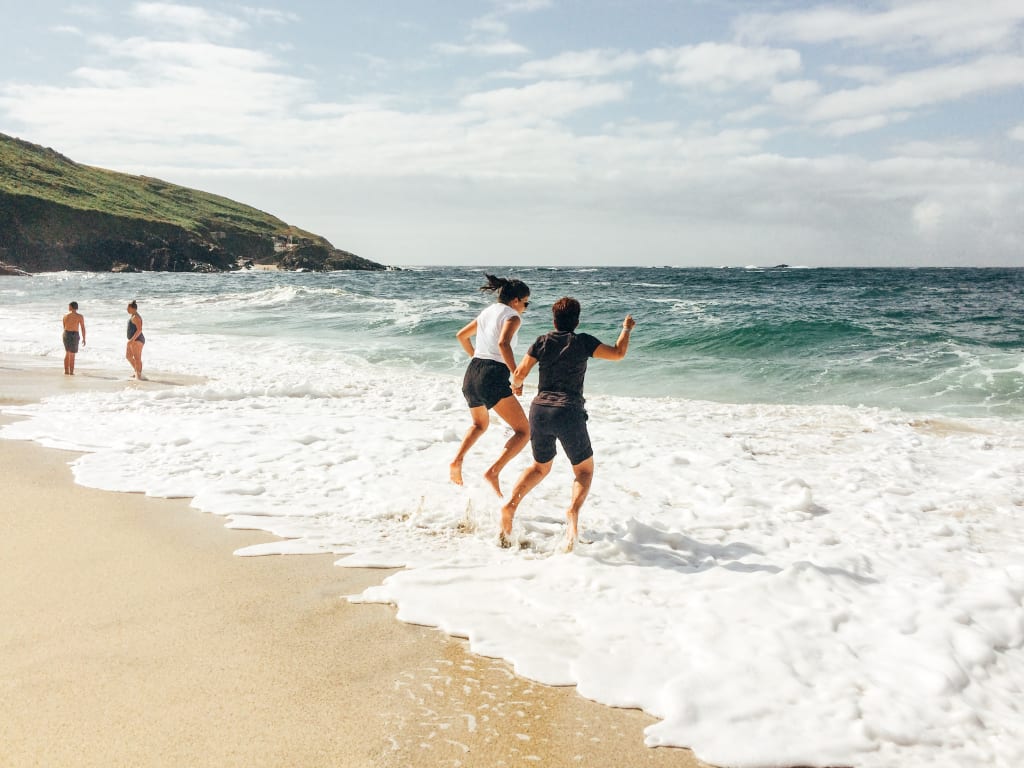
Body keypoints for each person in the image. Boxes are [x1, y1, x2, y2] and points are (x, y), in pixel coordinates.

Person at [500, 297, 636, 551]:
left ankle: (510, 506)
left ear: (553, 320)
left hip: (539, 410)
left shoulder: (541, 341)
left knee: (540, 467)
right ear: (577, 321)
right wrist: (626, 328)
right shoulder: (583, 341)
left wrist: (517, 386)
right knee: (583, 471)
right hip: (569, 411)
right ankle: (573, 511)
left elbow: (518, 374)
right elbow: (618, 353)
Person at [450, 274, 532, 497]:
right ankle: (493, 472)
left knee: (479, 425)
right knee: (524, 431)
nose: (525, 307)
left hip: (472, 372)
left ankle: (457, 460)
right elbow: (503, 343)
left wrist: (477, 358)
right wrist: (516, 376)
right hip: (492, 374)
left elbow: (461, 336)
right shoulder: (513, 316)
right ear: (515, 300)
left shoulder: (487, 312)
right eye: (526, 302)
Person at [61, 301, 87, 375]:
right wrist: (84, 338)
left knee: (67, 353)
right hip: (75, 334)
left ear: (72, 307)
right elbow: (83, 328)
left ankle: (66, 371)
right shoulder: (80, 316)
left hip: (66, 333)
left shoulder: (65, 316)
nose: (68, 307)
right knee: (72, 354)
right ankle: (71, 372)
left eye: (69, 306)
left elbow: (64, 326)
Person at [126, 300, 146, 380]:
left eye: (128, 308)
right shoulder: (133, 316)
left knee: (137, 358)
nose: (127, 309)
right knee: (128, 356)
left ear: (133, 308)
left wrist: (132, 340)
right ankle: (137, 372)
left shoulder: (136, 317)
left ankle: (138, 376)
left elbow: (139, 330)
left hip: (137, 340)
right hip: (133, 339)